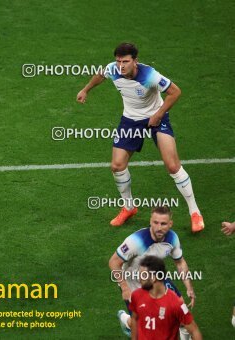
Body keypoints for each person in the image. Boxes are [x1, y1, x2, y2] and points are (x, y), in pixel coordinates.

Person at [77, 42, 204, 232]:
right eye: (118, 61)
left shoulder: (149, 75)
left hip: (156, 117)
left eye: (126, 61)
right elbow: (101, 75)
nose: (121, 66)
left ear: (135, 61)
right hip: (130, 121)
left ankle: (195, 213)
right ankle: (128, 207)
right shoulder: (113, 69)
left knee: (172, 165)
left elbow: (175, 92)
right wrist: (85, 89)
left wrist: (159, 114)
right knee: (117, 165)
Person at [108, 206, 196, 339]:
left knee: (181, 311)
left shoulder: (172, 238)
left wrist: (189, 287)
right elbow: (114, 262)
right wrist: (124, 288)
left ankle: (184, 335)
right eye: (155, 223)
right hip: (134, 285)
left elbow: (180, 262)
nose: (159, 227)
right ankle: (126, 321)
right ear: (150, 221)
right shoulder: (136, 241)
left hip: (157, 279)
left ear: (170, 224)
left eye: (163, 223)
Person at [129, 255, 202, 339]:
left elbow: (194, 330)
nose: (139, 278)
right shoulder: (136, 295)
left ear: (153, 278)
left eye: (143, 275)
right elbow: (134, 319)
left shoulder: (175, 303)